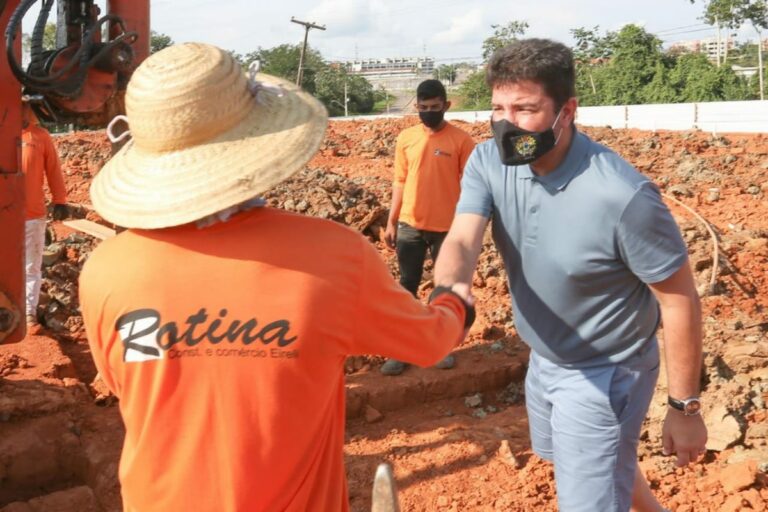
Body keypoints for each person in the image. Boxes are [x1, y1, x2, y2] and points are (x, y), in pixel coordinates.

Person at [79, 43, 474, 512]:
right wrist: (453, 293)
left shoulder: (106, 269)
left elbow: (130, 382)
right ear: (258, 139)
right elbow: (431, 342)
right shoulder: (332, 257)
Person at [434, 39, 707, 512]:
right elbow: (461, 239)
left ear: (567, 110)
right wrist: (452, 288)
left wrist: (684, 407)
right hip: (545, 356)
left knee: (591, 486)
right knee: (586, 459)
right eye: (498, 107)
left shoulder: (622, 197)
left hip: (605, 371)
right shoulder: (486, 161)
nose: (507, 122)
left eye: (525, 108)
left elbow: (679, 298)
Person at [381, 79, 476, 376]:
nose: (429, 112)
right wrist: (392, 221)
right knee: (406, 289)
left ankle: (439, 348)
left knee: (444, 290)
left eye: (435, 108)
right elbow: (399, 180)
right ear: (416, 107)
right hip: (410, 225)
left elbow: (472, 187)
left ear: (446, 106)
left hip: (447, 229)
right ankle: (402, 350)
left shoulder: (462, 141)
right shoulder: (406, 138)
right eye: (423, 108)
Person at [21, 100, 69, 331]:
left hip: (31, 215)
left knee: (31, 266)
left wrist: (60, 200)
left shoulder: (39, 136)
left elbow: (53, 169)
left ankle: (28, 314)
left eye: (24, 105)